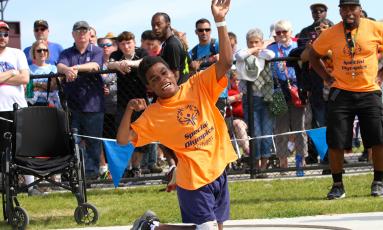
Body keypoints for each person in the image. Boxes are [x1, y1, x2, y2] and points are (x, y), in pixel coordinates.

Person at [118, 1, 236, 229]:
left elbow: (227, 61)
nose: (162, 79)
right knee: (207, 229)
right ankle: (151, 227)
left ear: (173, 72)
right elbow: (123, 140)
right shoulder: (153, 114)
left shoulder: (197, 85)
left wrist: (220, 21)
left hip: (219, 170)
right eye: (154, 79)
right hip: (193, 180)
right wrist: (129, 110)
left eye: (164, 73)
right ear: (149, 89)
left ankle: (151, 227)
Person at [309, 0, 383, 199]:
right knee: (335, 141)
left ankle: (378, 181)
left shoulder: (375, 27)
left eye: (353, 8)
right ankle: (337, 185)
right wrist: (326, 77)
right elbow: (312, 55)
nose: (349, 12)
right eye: (345, 8)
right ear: (340, 11)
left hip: (369, 91)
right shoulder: (331, 33)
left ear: (360, 10)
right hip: (341, 91)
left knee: (378, 138)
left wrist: (381, 75)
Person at [57, 21, 104, 180]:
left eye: (85, 31)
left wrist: (75, 68)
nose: (82, 34)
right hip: (72, 105)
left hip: (93, 105)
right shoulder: (66, 52)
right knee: (73, 141)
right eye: (79, 31)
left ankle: (92, 175)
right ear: (73, 34)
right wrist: (67, 69)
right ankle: (74, 174)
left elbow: (95, 66)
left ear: (89, 33)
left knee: (93, 142)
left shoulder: (97, 50)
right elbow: (60, 66)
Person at [268, 20, 308, 173]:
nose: (282, 35)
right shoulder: (271, 49)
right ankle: (283, 162)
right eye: (278, 32)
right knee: (281, 128)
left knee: (300, 127)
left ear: (291, 32)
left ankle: (300, 161)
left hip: (297, 89)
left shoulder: (298, 46)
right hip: (278, 91)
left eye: (285, 31)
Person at [236, 28, 275, 176]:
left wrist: (260, 48)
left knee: (266, 133)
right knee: (256, 133)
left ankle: (264, 166)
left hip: (266, 98)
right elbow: (239, 56)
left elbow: (271, 55)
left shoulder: (264, 53)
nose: (254, 44)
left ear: (261, 41)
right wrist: (253, 49)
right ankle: (256, 165)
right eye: (251, 42)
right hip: (250, 99)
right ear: (247, 43)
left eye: (256, 41)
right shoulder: (244, 52)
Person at [0, 21, 29, 163]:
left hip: (18, 107)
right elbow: (18, 75)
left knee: (22, 147)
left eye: (5, 34)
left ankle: (30, 184)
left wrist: (1, 78)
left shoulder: (17, 53)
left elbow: (24, 78)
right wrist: (11, 72)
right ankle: (4, 183)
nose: (2, 37)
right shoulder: (12, 67)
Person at [97, 32, 118, 179]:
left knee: (118, 139)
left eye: (108, 45)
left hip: (117, 106)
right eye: (101, 45)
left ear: (114, 46)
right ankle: (105, 171)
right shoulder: (95, 64)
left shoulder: (118, 61)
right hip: (100, 108)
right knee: (103, 140)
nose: (105, 48)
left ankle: (119, 169)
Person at [151, 12, 187, 85]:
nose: (155, 28)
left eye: (158, 24)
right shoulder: (173, 42)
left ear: (168, 24)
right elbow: (191, 66)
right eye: (153, 25)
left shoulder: (172, 45)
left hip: (178, 93)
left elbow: (175, 76)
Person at [26, 40, 61, 108]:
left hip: (51, 107)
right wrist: (45, 86)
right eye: (39, 50)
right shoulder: (27, 69)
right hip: (32, 107)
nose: (42, 52)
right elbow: (28, 91)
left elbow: (52, 87)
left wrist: (35, 84)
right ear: (34, 53)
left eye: (45, 50)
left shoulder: (54, 68)